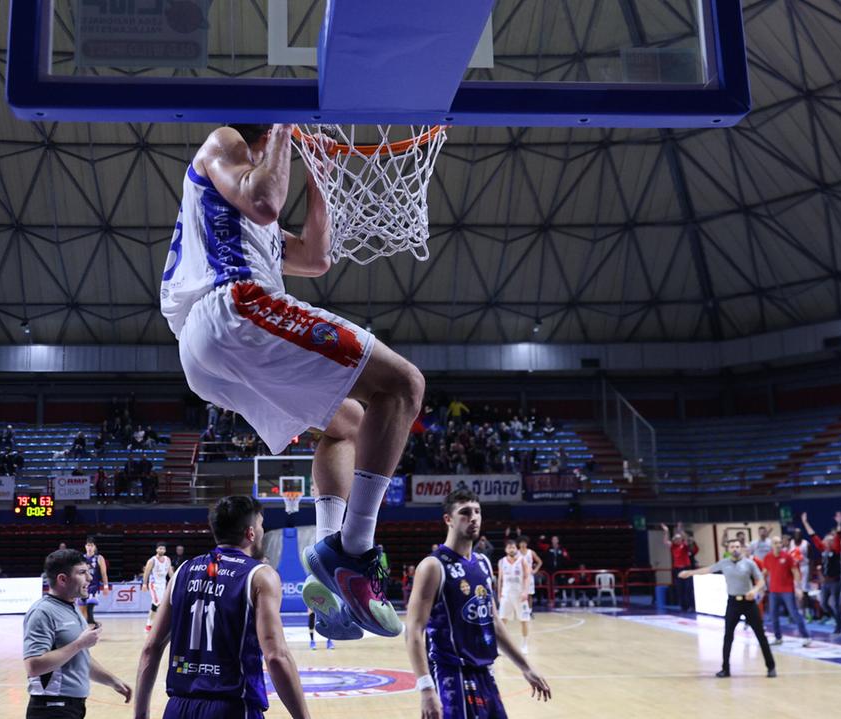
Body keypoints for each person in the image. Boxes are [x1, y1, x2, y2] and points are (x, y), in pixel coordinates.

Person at [159, 123, 426, 640]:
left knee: (348, 424)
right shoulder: (225, 141)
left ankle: (329, 569)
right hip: (234, 308)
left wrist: (320, 173)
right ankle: (355, 551)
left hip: (211, 349)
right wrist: (286, 126)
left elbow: (316, 258)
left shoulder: (237, 210)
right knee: (404, 385)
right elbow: (264, 201)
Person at [132, 495, 312, 719]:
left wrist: (140, 715)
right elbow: (276, 656)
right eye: (261, 526)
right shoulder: (260, 576)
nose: (262, 531)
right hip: (231, 708)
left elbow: (150, 648)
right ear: (251, 533)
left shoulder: (182, 572)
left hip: (178, 708)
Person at [404, 489, 552, 719]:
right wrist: (425, 688)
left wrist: (526, 667)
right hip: (451, 675)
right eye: (465, 512)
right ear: (448, 519)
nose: (473, 518)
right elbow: (413, 630)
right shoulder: (433, 566)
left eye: (477, 511)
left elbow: (494, 624)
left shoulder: (483, 563)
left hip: (484, 673)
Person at [23, 548, 132, 718]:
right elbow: (34, 666)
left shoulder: (72, 607)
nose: (89, 578)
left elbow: (80, 658)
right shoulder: (42, 612)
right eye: (82, 573)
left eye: (88, 572)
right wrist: (80, 644)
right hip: (51, 708)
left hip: (73, 707)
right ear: (62, 579)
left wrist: (112, 681)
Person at [679, 539, 777, 678]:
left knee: (760, 635)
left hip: (749, 603)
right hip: (733, 603)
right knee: (728, 636)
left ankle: (771, 667)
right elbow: (707, 570)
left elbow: (761, 580)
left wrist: (754, 591)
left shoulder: (749, 563)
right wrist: (689, 573)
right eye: (732, 547)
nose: (735, 549)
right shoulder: (724, 563)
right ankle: (725, 669)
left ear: (741, 548)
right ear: (728, 549)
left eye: (737, 546)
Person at [758, 536, 811, 647]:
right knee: (773, 615)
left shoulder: (787, 557)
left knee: (794, 613)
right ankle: (778, 638)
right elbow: (764, 573)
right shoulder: (768, 557)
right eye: (775, 543)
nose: (778, 545)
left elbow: (795, 572)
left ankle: (806, 637)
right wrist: (761, 588)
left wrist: (798, 588)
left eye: (779, 543)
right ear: (771, 545)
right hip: (773, 591)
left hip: (787, 590)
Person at [801, 511, 841, 634]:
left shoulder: (836, 550)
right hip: (826, 582)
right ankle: (838, 619)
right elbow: (813, 535)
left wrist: (839, 523)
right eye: (826, 540)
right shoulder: (822, 549)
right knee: (824, 604)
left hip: (835, 581)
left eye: (830, 540)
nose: (826, 541)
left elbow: (839, 535)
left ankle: (838, 626)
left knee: (836, 604)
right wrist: (805, 522)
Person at [495, 538, 533, 652]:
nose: (511, 549)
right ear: (506, 549)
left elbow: (527, 577)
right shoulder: (502, 561)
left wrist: (525, 591)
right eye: (509, 547)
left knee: (524, 620)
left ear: (516, 549)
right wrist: (499, 594)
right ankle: (501, 646)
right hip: (506, 594)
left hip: (520, 594)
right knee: (502, 621)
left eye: (513, 547)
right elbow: (500, 579)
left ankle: (524, 645)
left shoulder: (522, 560)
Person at [660, 523, 696, 612]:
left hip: (686, 568)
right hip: (678, 569)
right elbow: (665, 541)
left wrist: (680, 530)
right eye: (676, 538)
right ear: (674, 540)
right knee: (680, 589)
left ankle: (691, 606)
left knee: (688, 588)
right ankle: (683, 606)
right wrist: (666, 531)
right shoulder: (673, 546)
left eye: (679, 538)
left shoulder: (684, 545)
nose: (678, 540)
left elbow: (686, 538)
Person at [141, 544, 173, 633]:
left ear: (165, 550)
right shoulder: (152, 560)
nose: (162, 550)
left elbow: (170, 572)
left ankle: (149, 625)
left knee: (155, 606)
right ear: (157, 550)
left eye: (163, 549)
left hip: (163, 585)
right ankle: (160, 625)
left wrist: (175, 581)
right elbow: (146, 573)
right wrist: (144, 584)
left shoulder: (167, 559)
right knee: (159, 604)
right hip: (154, 585)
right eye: (160, 548)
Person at [78, 538, 110, 625]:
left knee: (90, 606)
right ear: (85, 546)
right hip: (82, 586)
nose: (89, 547)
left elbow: (104, 573)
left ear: (94, 547)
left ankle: (91, 623)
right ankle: (86, 625)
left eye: (91, 545)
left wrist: (106, 586)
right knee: (82, 610)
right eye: (88, 545)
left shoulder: (99, 558)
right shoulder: (81, 558)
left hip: (94, 587)